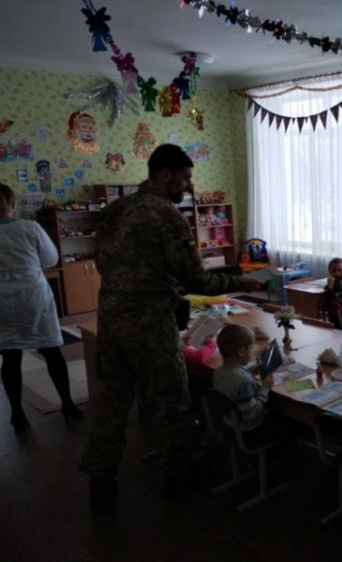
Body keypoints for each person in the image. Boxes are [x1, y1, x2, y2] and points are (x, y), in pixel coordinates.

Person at [79, 144, 261, 510]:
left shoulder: (116, 211)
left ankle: (101, 482)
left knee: (113, 401)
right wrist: (240, 283)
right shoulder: (165, 215)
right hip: (150, 322)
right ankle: (177, 479)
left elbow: (103, 261)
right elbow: (195, 279)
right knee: (170, 400)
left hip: (112, 318)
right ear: (166, 175)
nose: (188, 187)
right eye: (186, 178)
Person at [0, 184, 83, 433]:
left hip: (2, 299)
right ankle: (67, 404)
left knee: (10, 357)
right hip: (33, 296)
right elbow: (50, 260)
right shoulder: (30, 227)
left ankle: (17, 413)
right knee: (51, 351)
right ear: (13, 204)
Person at [212, 324, 274, 432]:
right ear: (241, 352)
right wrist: (265, 388)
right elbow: (251, 415)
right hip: (247, 426)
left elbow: (235, 370)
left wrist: (256, 364)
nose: (252, 351)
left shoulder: (219, 371)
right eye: (251, 348)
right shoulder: (244, 383)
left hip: (228, 419)